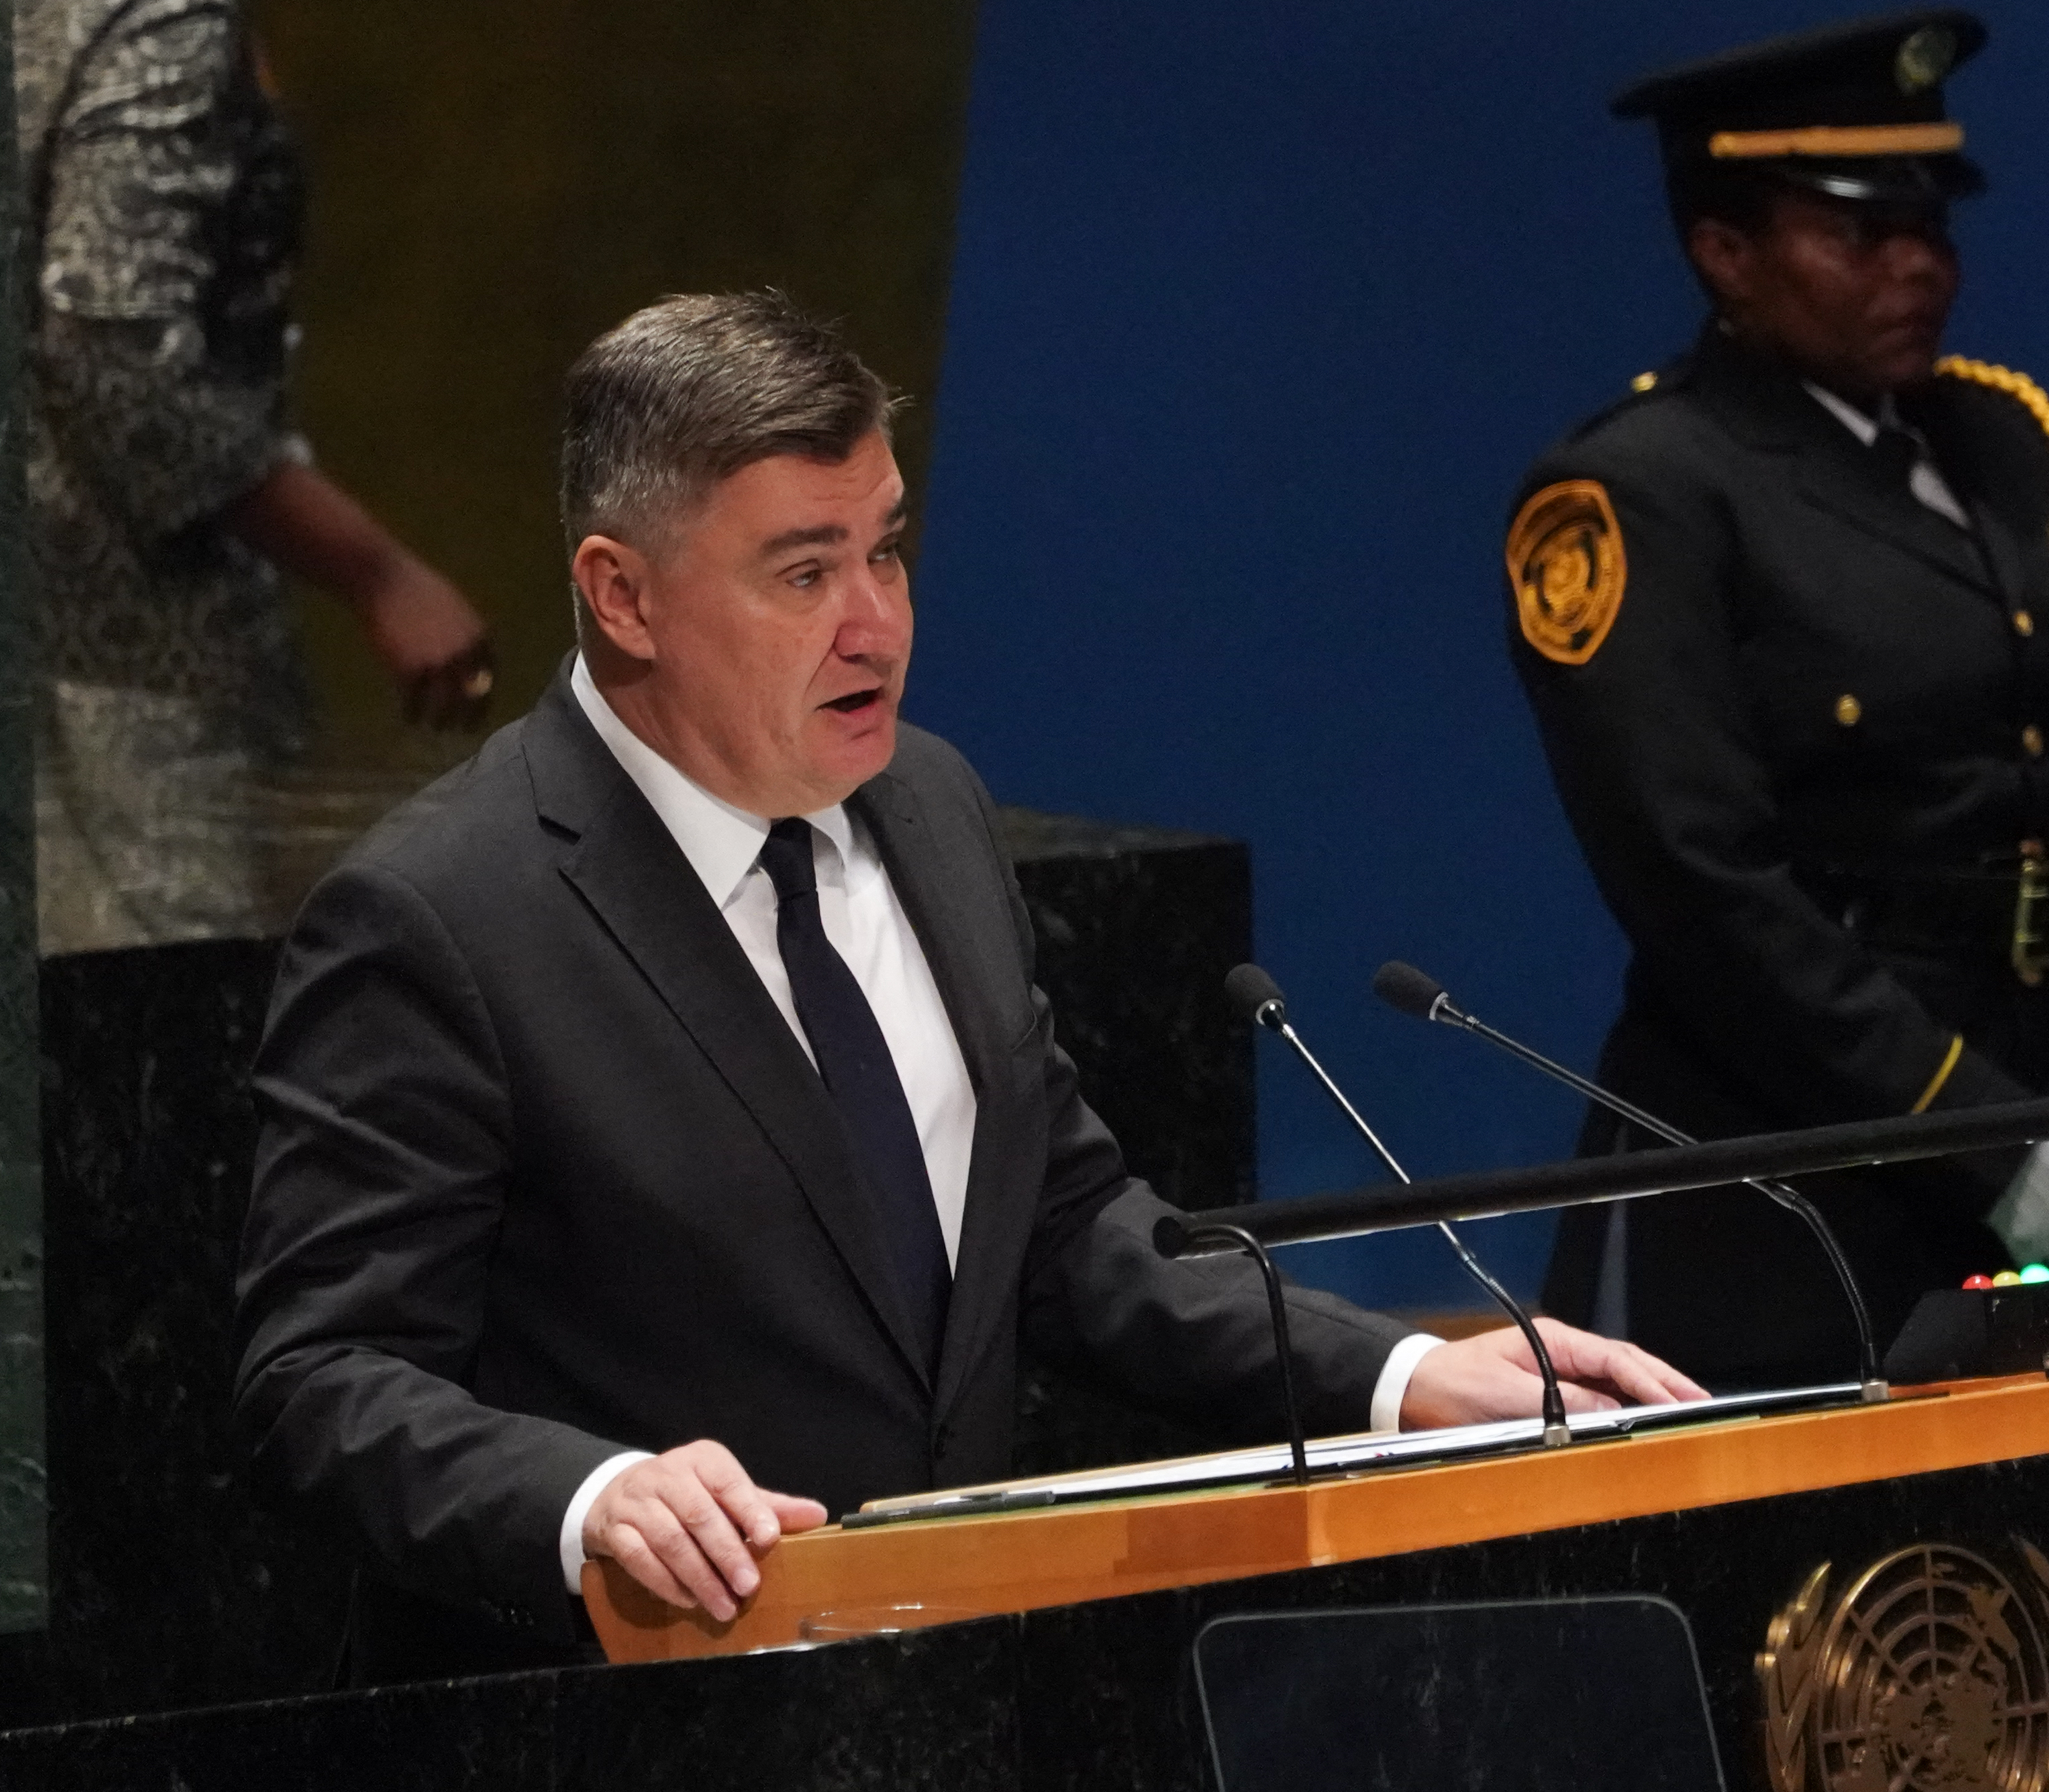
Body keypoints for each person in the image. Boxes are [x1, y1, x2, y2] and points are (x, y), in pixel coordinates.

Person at [235, 291, 1699, 1682]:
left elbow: (1060, 1232)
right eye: (803, 572)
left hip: (956, 1691)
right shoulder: (443, 914)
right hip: (618, 1711)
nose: (873, 622)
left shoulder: (927, 806)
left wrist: (1399, 1380)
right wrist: (590, 1494)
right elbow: (325, 1376)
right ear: (622, 598)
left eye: (886, 551)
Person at [1507, 11, 2049, 1387]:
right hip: (1784, 1180)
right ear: (1725, 255)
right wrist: (1984, 1138)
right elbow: (1701, 886)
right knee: (1799, 1599)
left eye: (1930, 227)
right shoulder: (1643, 490)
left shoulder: (1998, 442)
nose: (1917, 265)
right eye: (1857, 233)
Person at [17, 0, 493, 953]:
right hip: (130, 671)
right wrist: (379, 573)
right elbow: (113, 357)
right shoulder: (155, 21)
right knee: (168, 1044)